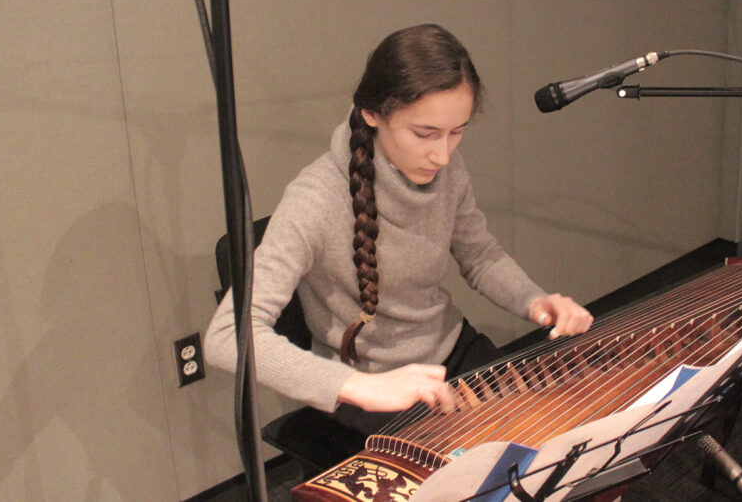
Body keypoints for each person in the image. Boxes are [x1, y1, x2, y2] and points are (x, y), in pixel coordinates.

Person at [204, 23, 592, 438]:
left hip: (451, 352)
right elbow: (227, 337)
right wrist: (360, 388)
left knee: (559, 438)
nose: (442, 155)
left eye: (456, 133)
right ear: (373, 113)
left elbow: (480, 256)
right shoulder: (314, 201)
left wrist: (535, 301)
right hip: (372, 384)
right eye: (425, 134)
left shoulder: (446, 170)